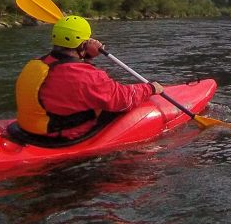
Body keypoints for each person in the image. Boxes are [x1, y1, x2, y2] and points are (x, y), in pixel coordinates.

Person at [14, 14, 164, 141]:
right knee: (122, 108)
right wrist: (150, 88)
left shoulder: (37, 64)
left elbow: (68, 71)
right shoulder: (87, 77)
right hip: (59, 135)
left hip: (29, 127)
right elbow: (122, 99)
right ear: (83, 44)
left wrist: (88, 55)